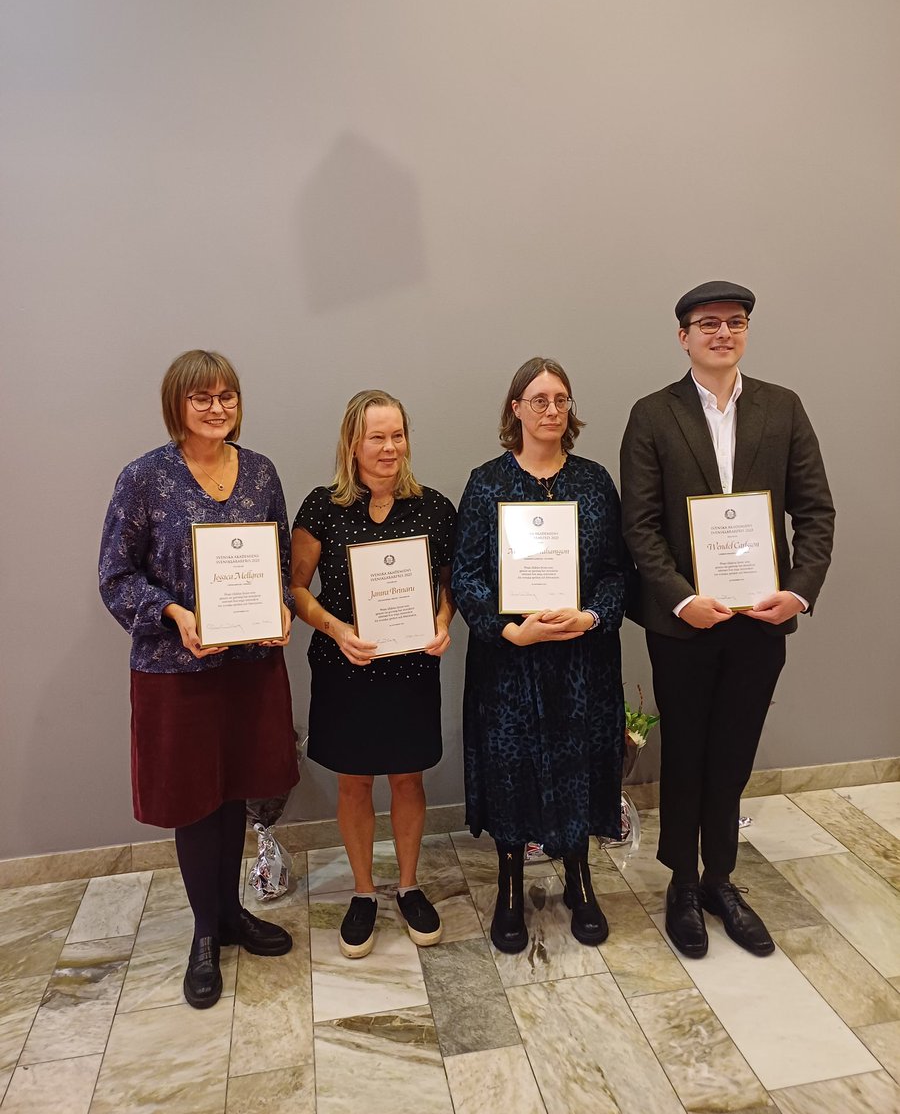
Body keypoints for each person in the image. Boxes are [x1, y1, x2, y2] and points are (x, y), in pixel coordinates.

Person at [620, 281, 835, 959]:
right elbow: (641, 526)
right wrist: (683, 597)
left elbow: (817, 513)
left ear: (745, 332)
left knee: (734, 753)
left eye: (734, 322)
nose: (722, 332)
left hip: (759, 619)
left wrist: (797, 592)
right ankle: (681, 883)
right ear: (683, 336)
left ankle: (722, 880)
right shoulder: (652, 415)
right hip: (684, 622)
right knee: (685, 751)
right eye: (707, 323)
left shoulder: (783, 408)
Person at [99, 349, 299, 1009]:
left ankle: (235, 914)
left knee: (236, 787)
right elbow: (116, 577)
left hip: (247, 663)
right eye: (202, 398)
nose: (217, 408)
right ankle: (206, 931)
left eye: (227, 397)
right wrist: (173, 612)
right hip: (175, 670)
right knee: (195, 797)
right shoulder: (144, 479)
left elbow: (276, 556)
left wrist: (277, 610)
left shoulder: (261, 471)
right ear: (177, 405)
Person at [451, 358, 627, 954]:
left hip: (582, 660)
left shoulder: (596, 481)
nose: (552, 410)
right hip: (510, 663)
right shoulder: (487, 482)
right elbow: (465, 575)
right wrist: (507, 629)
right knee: (510, 769)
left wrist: (591, 616)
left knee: (580, 763)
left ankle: (580, 877)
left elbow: (615, 572)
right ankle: (508, 887)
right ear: (515, 409)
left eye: (561, 399)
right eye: (539, 399)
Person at [290, 390, 456, 959]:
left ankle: (408, 886)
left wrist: (440, 619)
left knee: (408, 779)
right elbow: (295, 590)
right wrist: (336, 630)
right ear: (352, 443)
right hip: (346, 666)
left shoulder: (433, 507)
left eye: (397, 435)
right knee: (353, 781)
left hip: (411, 667)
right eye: (376, 437)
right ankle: (363, 893)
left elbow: (451, 581)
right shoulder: (320, 507)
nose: (389, 448)